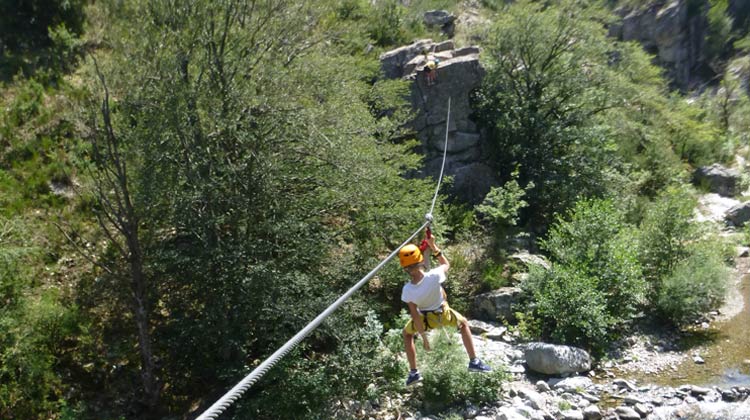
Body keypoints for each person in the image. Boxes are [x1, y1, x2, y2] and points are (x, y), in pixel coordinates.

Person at [399, 234, 491, 386]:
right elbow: (446, 264)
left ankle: (414, 372)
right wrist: (433, 246)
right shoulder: (435, 275)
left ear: (405, 268)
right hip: (444, 314)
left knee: (407, 334)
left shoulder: (407, 290)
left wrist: (424, 337)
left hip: (425, 320)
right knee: (464, 324)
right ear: (420, 261)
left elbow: (415, 315)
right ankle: (474, 361)